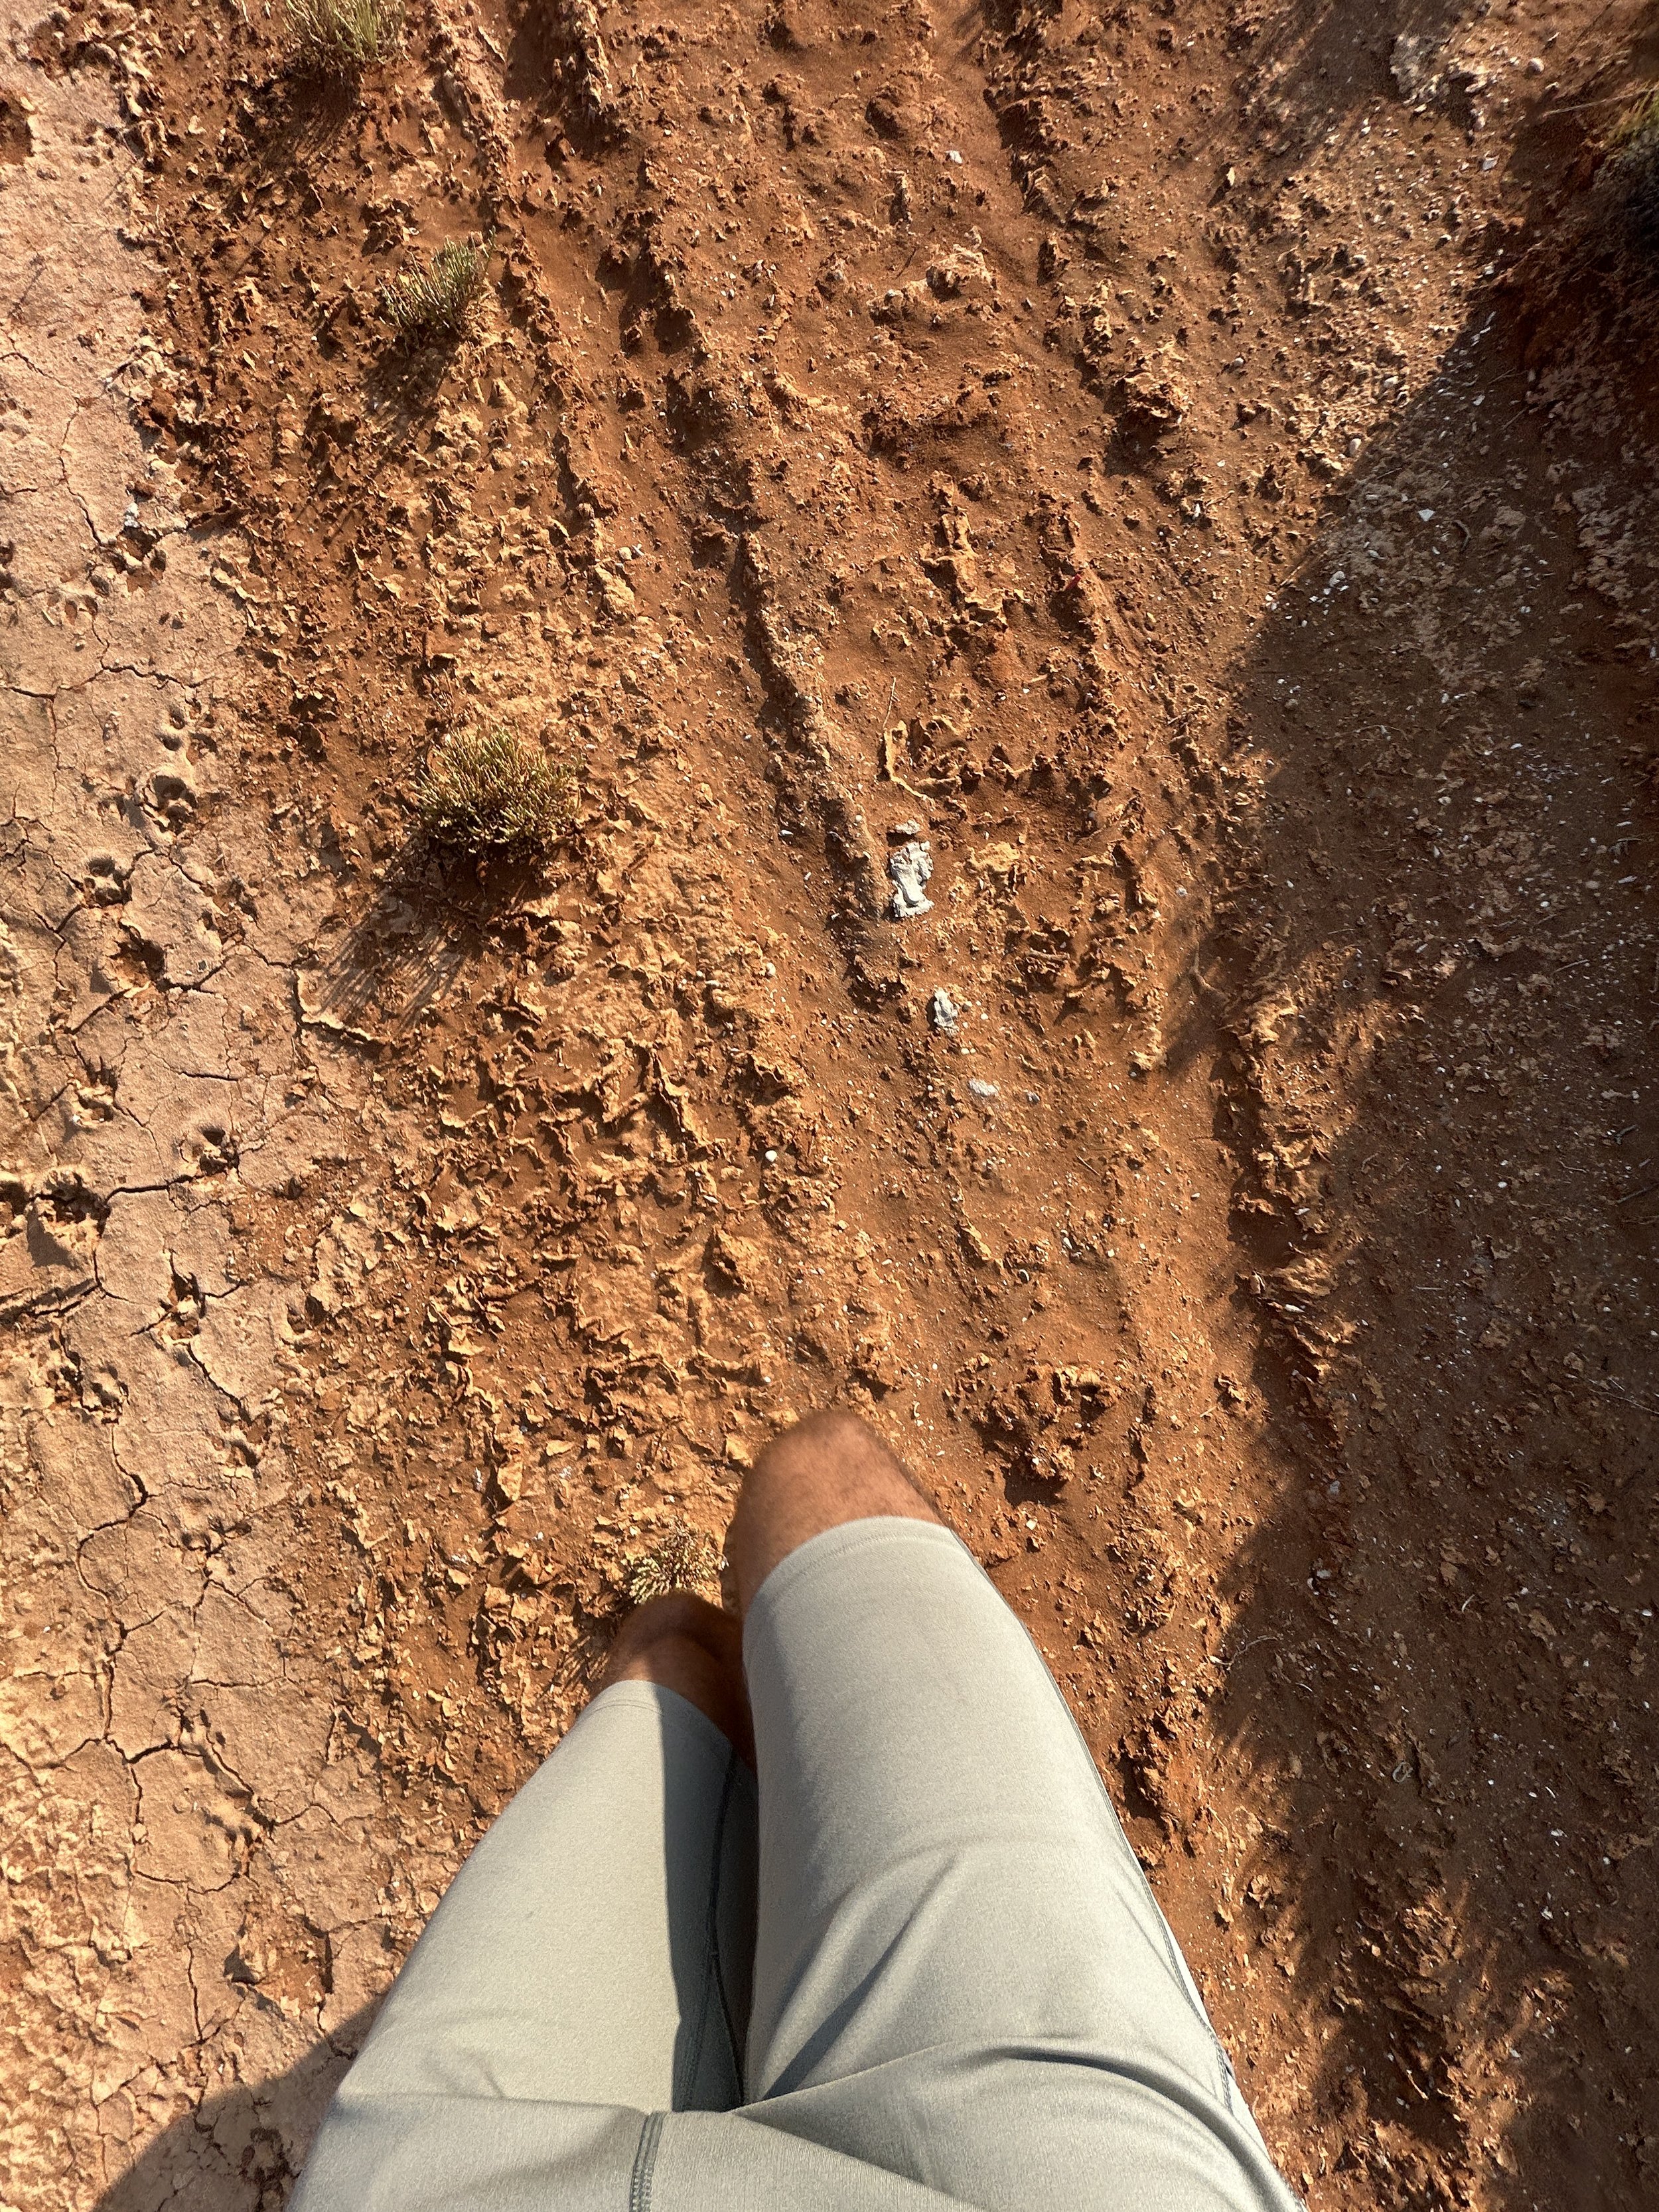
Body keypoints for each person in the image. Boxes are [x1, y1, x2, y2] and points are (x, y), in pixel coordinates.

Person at [292, 1410, 1299, 2211]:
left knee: (696, 1621)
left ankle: (723, 1730)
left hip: (452, 2174)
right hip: (1043, 2169)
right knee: (804, 1492)